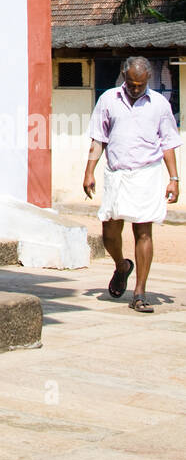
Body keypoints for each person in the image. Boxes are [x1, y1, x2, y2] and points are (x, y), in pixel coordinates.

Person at [82, 55, 180, 314]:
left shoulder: (159, 104)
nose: (135, 89)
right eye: (131, 84)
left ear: (148, 80)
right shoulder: (108, 100)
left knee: (143, 232)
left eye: (140, 85)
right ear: (124, 77)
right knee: (109, 233)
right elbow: (98, 139)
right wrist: (89, 171)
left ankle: (139, 292)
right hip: (117, 175)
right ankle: (121, 266)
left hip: (146, 174)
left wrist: (174, 179)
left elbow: (168, 143)